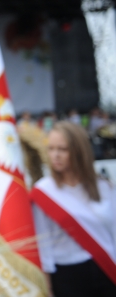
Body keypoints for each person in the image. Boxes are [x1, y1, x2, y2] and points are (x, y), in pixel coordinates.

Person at [31, 121, 116, 297]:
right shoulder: (44, 192)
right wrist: (47, 289)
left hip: (106, 269)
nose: (55, 155)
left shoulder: (104, 187)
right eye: (51, 148)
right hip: (67, 277)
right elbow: (43, 249)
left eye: (62, 149)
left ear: (79, 151)